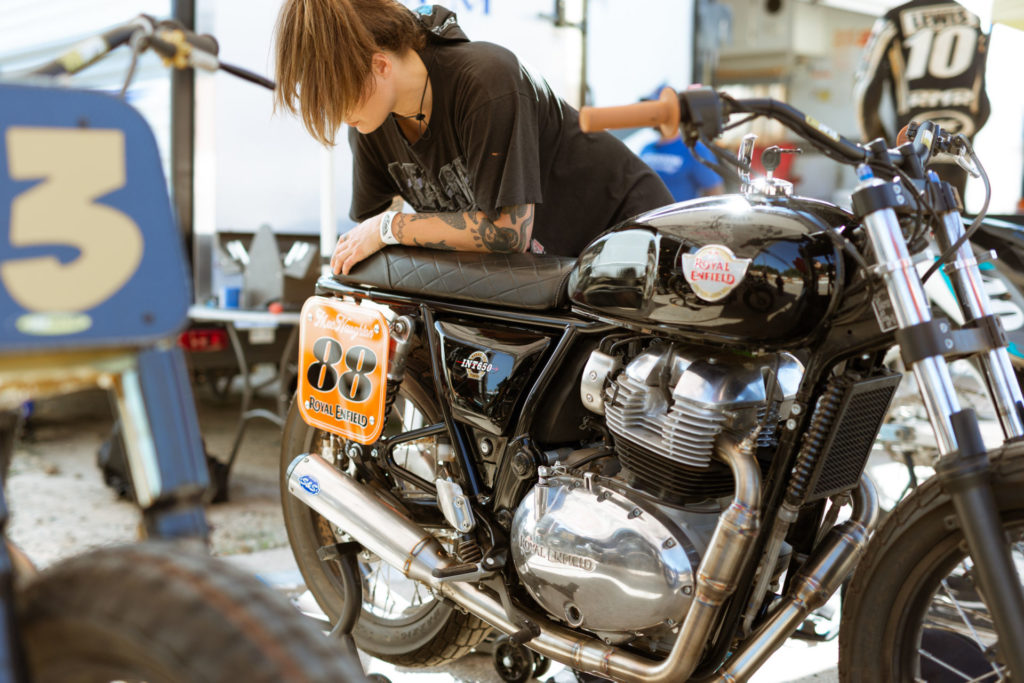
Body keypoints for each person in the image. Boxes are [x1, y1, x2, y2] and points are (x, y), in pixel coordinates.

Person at [273, 0, 673, 275]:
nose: (338, 114)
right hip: (546, 274)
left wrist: (390, 228)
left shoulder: (486, 81)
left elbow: (507, 231)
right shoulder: (370, 125)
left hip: (628, 234)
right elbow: (375, 243)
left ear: (379, 66)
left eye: (337, 96)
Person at [853, 0, 990, 197]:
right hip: (958, 144)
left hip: (909, 148)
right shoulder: (972, 19)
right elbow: (983, 102)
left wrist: (877, 145)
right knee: (953, 218)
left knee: (910, 218)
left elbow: (865, 89)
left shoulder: (893, 19)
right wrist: (967, 132)